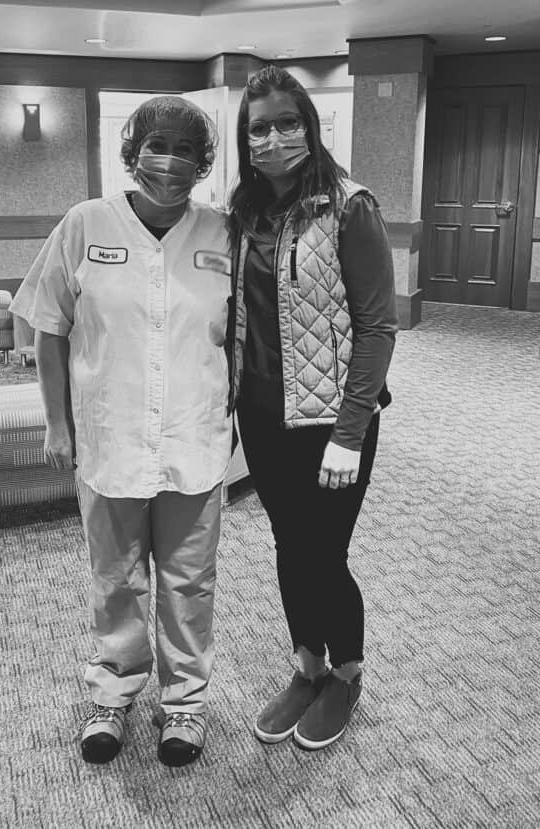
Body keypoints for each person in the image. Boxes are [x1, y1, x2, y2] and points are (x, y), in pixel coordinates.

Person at [9, 96, 234, 768]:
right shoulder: (84, 224)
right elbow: (47, 325)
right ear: (131, 152)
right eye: (155, 146)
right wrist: (57, 423)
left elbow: (244, 338)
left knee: (189, 582)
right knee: (116, 577)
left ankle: (185, 705)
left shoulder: (222, 232)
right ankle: (113, 690)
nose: (168, 161)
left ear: (203, 162)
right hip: (109, 439)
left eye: (185, 149)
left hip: (193, 439)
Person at [227, 66, 398, 750]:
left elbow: (378, 327)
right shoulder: (242, 212)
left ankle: (347, 673)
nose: (273, 137)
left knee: (325, 551)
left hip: (334, 419)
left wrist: (350, 433)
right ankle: (308, 664)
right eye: (258, 128)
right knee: (290, 545)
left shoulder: (351, 205)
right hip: (263, 412)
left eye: (286, 123)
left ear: (310, 125)